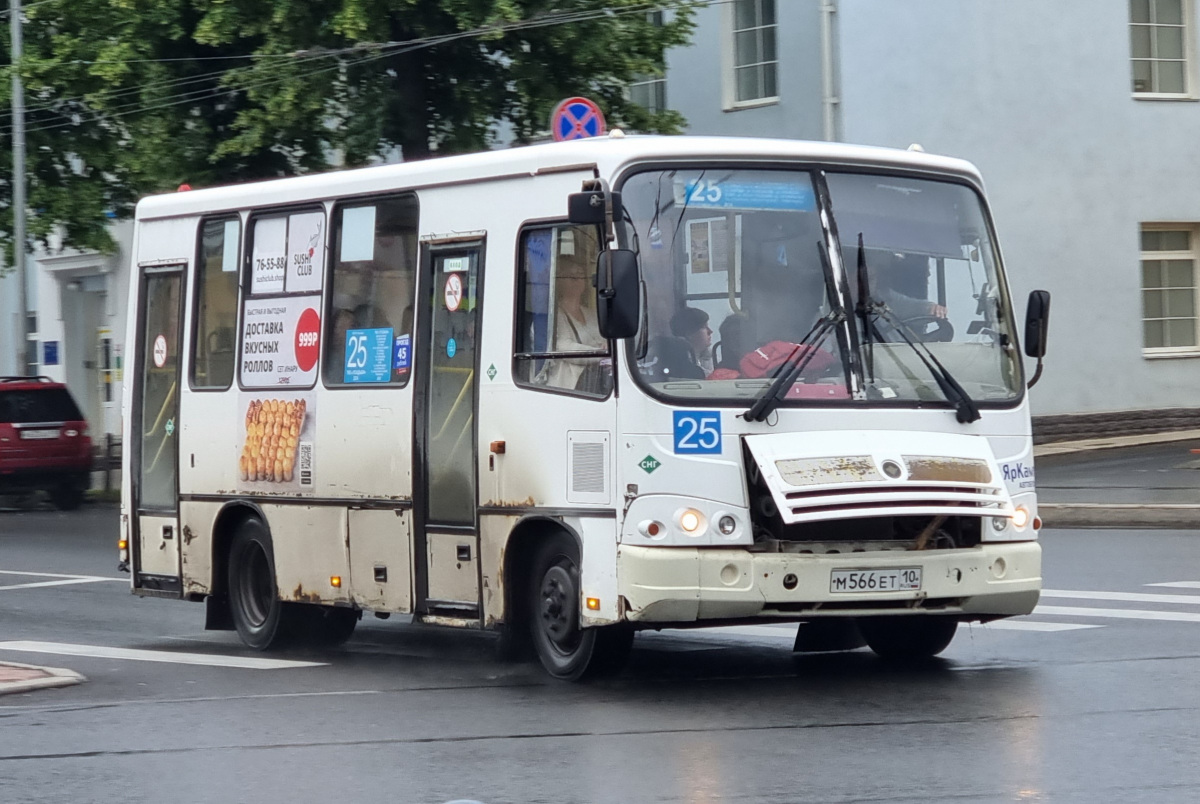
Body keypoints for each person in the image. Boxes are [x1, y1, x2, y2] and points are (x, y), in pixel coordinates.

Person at [543, 253, 607, 391]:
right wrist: (600, 353)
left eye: (580, 274)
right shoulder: (554, 315)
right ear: (558, 281)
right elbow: (563, 346)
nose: (577, 279)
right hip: (570, 388)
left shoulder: (592, 313)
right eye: (571, 276)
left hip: (596, 383)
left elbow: (605, 339)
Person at [670, 306, 715, 375]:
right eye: (704, 327)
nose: (710, 331)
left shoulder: (711, 358)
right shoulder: (677, 365)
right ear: (689, 333)